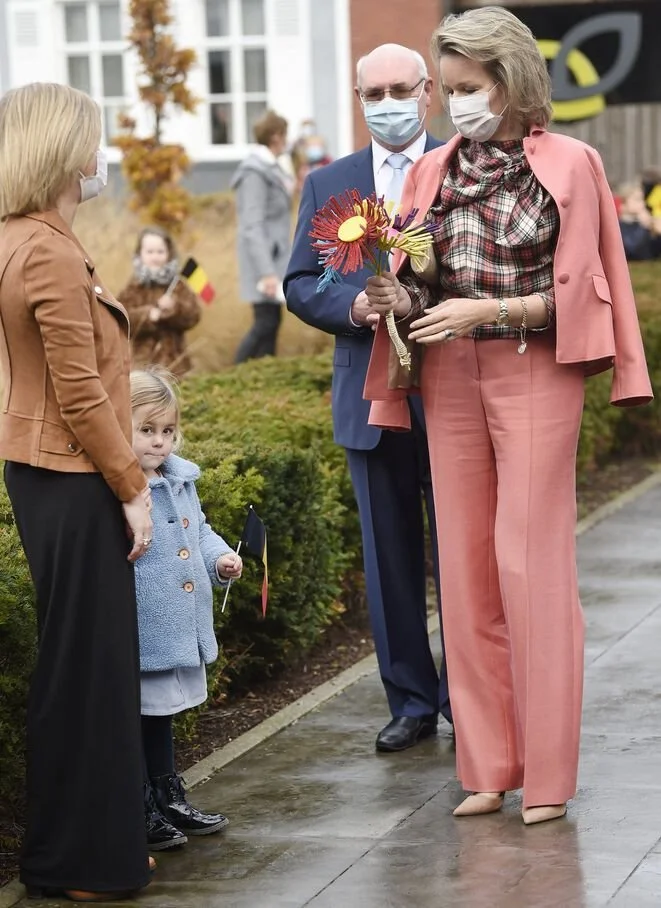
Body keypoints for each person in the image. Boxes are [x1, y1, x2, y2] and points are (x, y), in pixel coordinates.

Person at [363, 7, 652, 823]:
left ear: (510, 79)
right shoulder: (431, 173)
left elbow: (581, 296)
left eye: (467, 87)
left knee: (530, 565)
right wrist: (400, 294)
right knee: (463, 573)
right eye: (447, 88)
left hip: (534, 372)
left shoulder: (571, 163)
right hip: (447, 378)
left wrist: (488, 312)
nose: (454, 103)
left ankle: (548, 779)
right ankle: (486, 766)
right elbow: (423, 283)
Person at [0, 83, 154, 900]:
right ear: (63, 150)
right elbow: (80, 392)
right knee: (91, 670)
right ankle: (85, 860)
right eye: (92, 140)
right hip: (72, 473)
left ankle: (81, 846)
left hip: (43, 471)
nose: (100, 158)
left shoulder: (18, 237)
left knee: (74, 666)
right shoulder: (49, 250)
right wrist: (132, 486)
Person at [285, 44, 452, 754]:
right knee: (387, 561)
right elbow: (300, 282)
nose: (386, 103)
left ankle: (471, 699)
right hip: (368, 396)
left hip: (452, 394)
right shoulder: (331, 182)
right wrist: (354, 306)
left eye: (398, 89)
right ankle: (411, 700)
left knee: (462, 558)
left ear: (427, 92)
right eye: (371, 92)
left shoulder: (461, 167)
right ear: (358, 99)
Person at [130, 368, 243, 851]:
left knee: (161, 715)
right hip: (144, 626)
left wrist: (220, 557)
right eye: (147, 431)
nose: (160, 443)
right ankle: (139, 806)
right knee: (137, 714)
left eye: (168, 431)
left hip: (177, 625)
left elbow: (198, 530)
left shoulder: (179, 479)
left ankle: (167, 793)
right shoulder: (121, 488)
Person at [232, 110, 294, 363]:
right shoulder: (255, 173)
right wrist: (266, 272)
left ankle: (263, 377)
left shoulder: (272, 168)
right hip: (264, 262)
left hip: (275, 258)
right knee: (265, 323)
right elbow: (251, 225)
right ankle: (235, 374)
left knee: (271, 322)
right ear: (276, 136)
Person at [118, 226, 202, 378]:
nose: (155, 257)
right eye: (150, 252)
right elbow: (121, 318)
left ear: (169, 254)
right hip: (142, 362)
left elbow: (194, 315)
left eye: (160, 252)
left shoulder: (178, 285)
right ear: (140, 254)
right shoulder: (134, 286)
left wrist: (175, 307)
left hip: (175, 363)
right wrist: (147, 315)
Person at [617, 181, 661, 261]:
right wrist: (644, 226)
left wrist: (657, 232)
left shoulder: (641, 224)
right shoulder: (619, 227)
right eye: (637, 199)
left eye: (642, 199)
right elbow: (632, 250)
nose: (643, 204)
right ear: (623, 204)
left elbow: (653, 251)